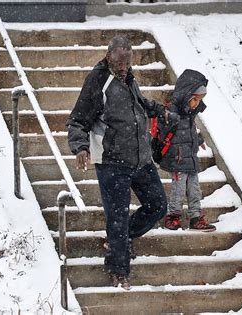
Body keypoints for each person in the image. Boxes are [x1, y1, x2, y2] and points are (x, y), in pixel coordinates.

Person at [66, 36, 178, 290]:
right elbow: (77, 120)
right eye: (120, 61)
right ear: (108, 56)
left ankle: (122, 238)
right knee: (117, 216)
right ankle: (119, 270)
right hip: (112, 162)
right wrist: (80, 148)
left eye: (128, 61)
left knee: (158, 205)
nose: (124, 66)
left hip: (140, 159)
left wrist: (158, 110)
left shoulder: (128, 77)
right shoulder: (98, 80)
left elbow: (138, 104)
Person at [158, 69, 216, 232]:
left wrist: (198, 140)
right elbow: (167, 134)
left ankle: (196, 217)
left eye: (199, 100)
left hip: (190, 158)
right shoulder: (171, 112)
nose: (197, 103)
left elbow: (188, 131)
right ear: (186, 95)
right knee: (179, 189)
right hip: (177, 159)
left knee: (194, 189)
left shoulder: (189, 114)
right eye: (195, 99)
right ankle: (172, 215)